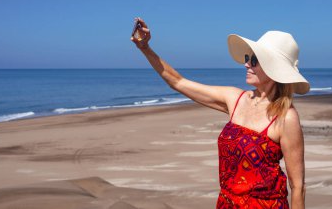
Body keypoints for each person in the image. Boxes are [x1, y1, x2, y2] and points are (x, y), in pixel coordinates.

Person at [130, 17, 308, 209]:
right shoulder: (235, 99)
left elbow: (297, 186)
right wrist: (145, 48)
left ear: (274, 69)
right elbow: (178, 82)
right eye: (247, 58)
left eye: (254, 60)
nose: (246, 64)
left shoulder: (285, 117)